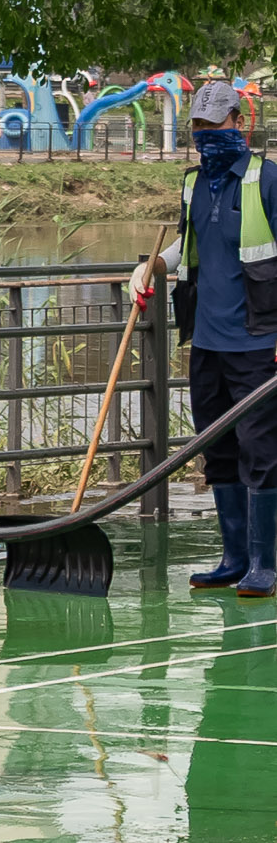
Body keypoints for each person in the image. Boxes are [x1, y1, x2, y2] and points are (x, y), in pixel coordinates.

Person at [135, 79, 277, 594]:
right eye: (198, 127)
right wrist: (150, 265)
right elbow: (189, 243)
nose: (206, 135)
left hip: (259, 344)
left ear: (240, 124)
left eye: (215, 126)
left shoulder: (268, 181)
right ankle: (233, 558)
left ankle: (266, 563)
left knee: (261, 453)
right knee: (216, 449)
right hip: (207, 343)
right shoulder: (193, 183)